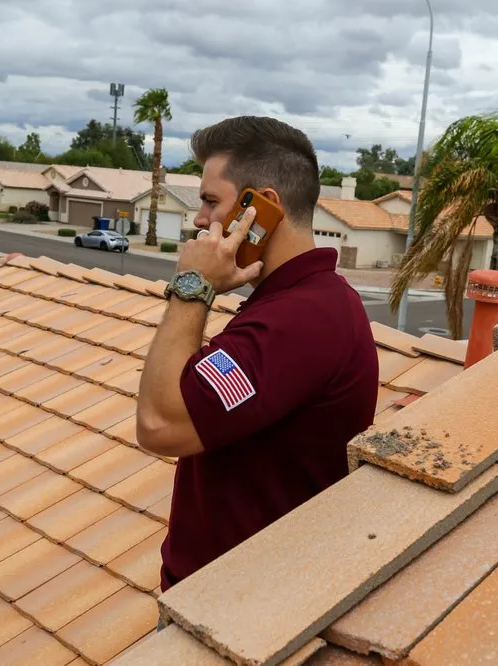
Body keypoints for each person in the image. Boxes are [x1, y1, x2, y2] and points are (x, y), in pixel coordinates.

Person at [136, 116, 379, 597]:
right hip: (235, 594)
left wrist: (193, 287)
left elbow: (159, 425)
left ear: (262, 208)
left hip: (237, 607)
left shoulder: (299, 321)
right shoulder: (307, 303)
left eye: (210, 201)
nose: (200, 220)